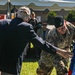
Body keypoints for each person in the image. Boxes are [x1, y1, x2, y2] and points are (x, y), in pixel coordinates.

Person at [0, 7, 72, 75]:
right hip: (11, 66)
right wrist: (60, 51)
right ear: (28, 18)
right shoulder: (26, 27)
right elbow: (42, 44)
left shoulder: (2, 23)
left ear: (17, 14)